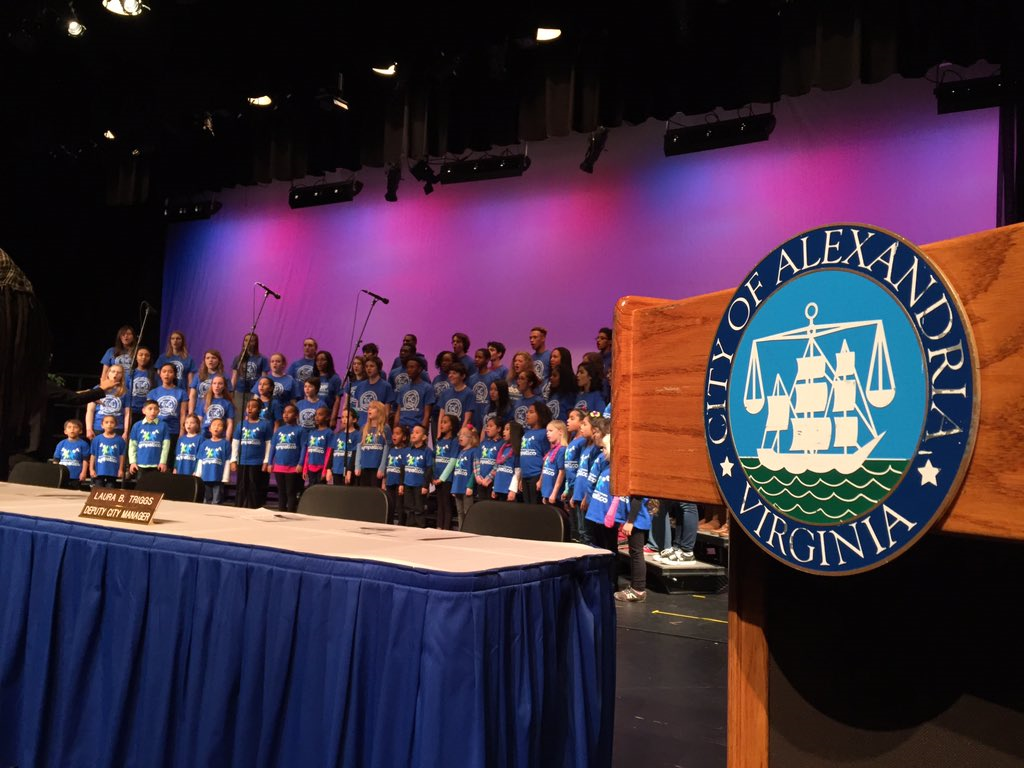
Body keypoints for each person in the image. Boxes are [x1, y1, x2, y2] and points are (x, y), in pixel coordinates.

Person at [231, 398, 273, 508]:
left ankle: (254, 507)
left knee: (254, 487)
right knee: (241, 487)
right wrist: (233, 460)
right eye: (248, 406)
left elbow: (269, 443)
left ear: (259, 410)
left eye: (253, 407)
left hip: (257, 462)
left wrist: (266, 461)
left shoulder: (265, 424)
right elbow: (235, 442)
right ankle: (239, 507)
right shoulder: (241, 424)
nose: (250, 409)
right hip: (242, 460)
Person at [267, 404, 307, 512]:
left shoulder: (300, 430)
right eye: (284, 412)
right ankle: (281, 511)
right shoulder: (279, 430)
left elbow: (304, 447)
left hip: (293, 467)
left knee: (291, 492)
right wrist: (270, 462)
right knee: (281, 492)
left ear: (296, 415)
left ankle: (290, 512)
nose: (286, 414)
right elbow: (273, 447)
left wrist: (300, 463)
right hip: (279, 467)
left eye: (289, 412)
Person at [150, 362, 188, 458]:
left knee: (170, 458)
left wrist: (182, 432)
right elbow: (149, 413)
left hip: (173, 430)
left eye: (170, 372)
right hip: (156, 430)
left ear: (175, 375)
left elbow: (183, 414)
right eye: (164, 371)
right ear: (160, 373)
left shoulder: (181, 393)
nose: (166, 374)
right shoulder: (153, 393)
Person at [517, 402, 551, 504]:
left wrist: (541, 478)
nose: (527, 414)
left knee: (536, 508)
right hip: (525, 476)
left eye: (531, 412)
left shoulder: (544, 433)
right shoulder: (526, 433)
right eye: (527, 412)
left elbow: (547, 457)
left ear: (540, 415)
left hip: (536, 475)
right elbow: (524, 457)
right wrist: (521, 477)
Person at [85, 363, 130, 442]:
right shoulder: (98, 389)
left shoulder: (125, 391)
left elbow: (127, 413)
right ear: (108, 373)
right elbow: (90, 410)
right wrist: (89, 429)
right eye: (113, 371)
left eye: (119, 372)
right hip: (99, 427)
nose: (115, 374)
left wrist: (126, 431)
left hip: (117, 427)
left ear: (122, 376)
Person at [446, 424, 478, 529]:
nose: (460, 437)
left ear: (471, 438)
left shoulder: (474, 451)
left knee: (467, 511)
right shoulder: (460, 452)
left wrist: (470, 486)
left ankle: (468, 530)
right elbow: (456, 470)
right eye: (460, 435)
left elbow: (475, 470)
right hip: (458, 486)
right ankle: (461, 530)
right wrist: (454, 488)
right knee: (460, 512)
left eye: (464, 435)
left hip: (466, 487)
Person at [128, 400, 170, 477]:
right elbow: (132, 445)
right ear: (143, 411)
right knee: (141, 487)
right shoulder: (137, 426)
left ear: (159, 411)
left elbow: (166, 446)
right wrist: (133, 462)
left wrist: (163, 462)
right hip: (141, 464)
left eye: (156, 409)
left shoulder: (163, 425)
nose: (153, 411)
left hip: (157, 465)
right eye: (150, 409)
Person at [350, 355, 395, 428]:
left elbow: (386, 412)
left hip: (375, 427)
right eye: (366, 366)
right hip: (359, 427)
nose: (368, 368)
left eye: (372, 366)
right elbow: (357, 408)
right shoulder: (360, 386)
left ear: (378, 368)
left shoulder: (386, 386)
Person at [432, 413, 459, 529]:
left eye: (445, 422)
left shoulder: (454, 441)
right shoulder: (439, 441)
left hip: (447, 478)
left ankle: (446, 528)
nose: (442, 424)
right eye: (441, 422)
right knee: (440, 504)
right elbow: (434, 459)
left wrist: (442, 478)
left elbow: (453, 460)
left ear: (452, 426)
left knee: (447, 504)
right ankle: (439, 527)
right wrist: (434, 476)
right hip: (437, 477)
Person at [231, 333, 268, 416]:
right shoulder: (238, 358)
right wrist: (231, 392)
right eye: (246, 340)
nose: (248, 343)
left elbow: (264, 378)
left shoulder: (262, 359)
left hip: (254, 392)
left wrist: (259, 393)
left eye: (251, 341)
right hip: (240, 391)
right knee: (238, 415)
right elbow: (234, 377)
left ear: (256, 343)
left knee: (252, 414)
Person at [354, 401, 389, 488]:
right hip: (364, 467)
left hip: (376, 468)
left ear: (380, 412)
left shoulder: (385, 428)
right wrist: (357, 466)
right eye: (369, 407)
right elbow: (359, 447)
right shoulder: (364, 428)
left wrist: (382, 467)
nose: (369, 409)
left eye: (373, 408)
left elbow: (386, 449)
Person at [402, 424, 432, 527]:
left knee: (419, 507)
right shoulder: (407, 450)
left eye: (417, 432)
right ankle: (410, 526)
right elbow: (403, 467)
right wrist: (401, 484)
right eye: (412, 432)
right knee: (408, 506)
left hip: (419, 484)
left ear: (424, 437)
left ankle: (420, 526)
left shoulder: (427, 451)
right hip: (407, 483)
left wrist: (425, 485)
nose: (413, 434)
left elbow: (429, 469)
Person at [196, 417, 231, 504]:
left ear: (223, 429)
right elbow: (200, 460)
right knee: (206, 499)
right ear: (210, 428)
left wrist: (225, 477)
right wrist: (198, 475)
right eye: (214, 425)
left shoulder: (225, 444)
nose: (216, 427)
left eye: (219, 425)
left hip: (218, 477)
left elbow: (227, 461)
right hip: (205, 477)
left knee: (217, 500)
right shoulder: (205, 444)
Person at [394, 356, 435, 431]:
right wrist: (395, 428)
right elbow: (398, 411)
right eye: (407, 367)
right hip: (402, 429)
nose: (409, 370)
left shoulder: (427, 388)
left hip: (416, 428)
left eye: (412, 367)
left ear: (419, 369)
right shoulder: (403, 388)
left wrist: (423, 430)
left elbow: (427, 413)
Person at [325, 407, 359, 486]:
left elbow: (355, 454)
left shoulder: (357, 435)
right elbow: (332, 452)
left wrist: (349, 470)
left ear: (354, 420)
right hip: (337, 469)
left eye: (347, 417)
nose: (344, 419)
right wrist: (329, 468)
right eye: (342, 417)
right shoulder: (338, 435)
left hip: (348, 471)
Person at [189, 350, 231, 414]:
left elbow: (228, 397)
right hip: (199, 412)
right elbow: (192, 396)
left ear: (219, 361)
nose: (210, 360)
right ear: (204, 360)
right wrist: (191, 412)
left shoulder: (224, 376)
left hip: (216, 411)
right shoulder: (198, 375)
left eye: (213, 358)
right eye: (207, 358)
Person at [89, 415, 126, 487]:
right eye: (106, 422)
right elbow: (93, 455)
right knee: (98, 491)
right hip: (99, 471)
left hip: (113, 471)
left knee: (110, 490)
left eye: (112, 422)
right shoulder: (97, 439)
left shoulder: (120, 440)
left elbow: (122, 456)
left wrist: (120, 469)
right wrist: (91, 469)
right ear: (102, 425)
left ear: (116, 425)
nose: (109, 424)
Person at [194, 375, 235, 439]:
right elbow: (199, 420)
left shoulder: (227, 403)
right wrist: (197, 437)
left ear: (224, 386)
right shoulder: (204, 401)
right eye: (214, 383)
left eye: (220, 384)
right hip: (204, 435)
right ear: (211, 385)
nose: (217, 386)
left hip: (220, 436)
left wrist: (227, 439)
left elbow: (230, 423)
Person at [53, 418, 90, 488]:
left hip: (76, 475)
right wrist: (56, 473)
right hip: (63, 475)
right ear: (65, 431)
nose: (72, 429)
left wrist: (83, 473)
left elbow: (85, 460)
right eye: (69, 427)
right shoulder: (61, 444)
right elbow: (56, 460)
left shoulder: (83, 444)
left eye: (75, 427)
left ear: (80, 431)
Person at [438, 361, 475, 432]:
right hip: (446, 434)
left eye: (454, 373)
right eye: (449, 373)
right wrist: (439, 433)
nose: (450, 376)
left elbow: (468, 419)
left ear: (463, 376)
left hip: (460, 433)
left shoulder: (469, 393)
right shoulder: (445, 392)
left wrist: (460, 435)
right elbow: (441, 416)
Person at [302, 406, 334, 487]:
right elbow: (308, 453)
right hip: (310, 467)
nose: (316, 417)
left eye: (320, 414)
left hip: (321, 467)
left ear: (327, 418)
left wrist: (325, 470)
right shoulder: (312, 433)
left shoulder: (329, 433)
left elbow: (329, 453)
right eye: (316, 414)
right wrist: (305, 469)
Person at [383, 425, 409, 524]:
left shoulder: (406, 451)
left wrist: (402, 484)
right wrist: (384, 481)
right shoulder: (391, 450)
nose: (394, 436)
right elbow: (387, 465)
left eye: (398, 434)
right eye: (393, 433)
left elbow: (405, 468)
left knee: (399, 506)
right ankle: (388, 523)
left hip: (399, 482)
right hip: (390, 482)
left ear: (404, 437)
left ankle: (402, 524)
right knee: (390, 505)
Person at [541, 419, 568, 509]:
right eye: (547, 431)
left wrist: (554, 493)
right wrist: (545, 494)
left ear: (560, 432)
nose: (547, 433)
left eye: (551, 431)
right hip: (548, 493)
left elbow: (561, 473)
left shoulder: (562, 450)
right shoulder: (551, 450)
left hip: (555, 495)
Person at [491, 420, 521, 501]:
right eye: (504, 429)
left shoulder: (516, 450)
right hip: (499, 488)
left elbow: (517, 471)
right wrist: (495, 487)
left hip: (508, 490)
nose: (504, 431)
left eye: (507, 429)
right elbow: (498, 468)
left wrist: (513, 490)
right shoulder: (503, 448)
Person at [474, 417, 502, 501]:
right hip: (481, 481)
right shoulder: (483, 443)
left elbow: (499, 463)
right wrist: (477, 476)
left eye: (491, 426)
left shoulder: (501, 444)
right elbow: (476, 460)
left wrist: (489, 478)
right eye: (487, 426)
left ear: (499, 429)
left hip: (492, 482)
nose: (488, 428)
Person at [545, 347, 577, 420]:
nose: (551, 360)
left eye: (555, 357)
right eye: (551, 357)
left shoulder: (570, 393)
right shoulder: (552, 391)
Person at [127, 346, 157, 423]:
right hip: (131, 411)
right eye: (140, 355)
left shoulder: (154, 375)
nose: (143, 357)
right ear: (135, 357)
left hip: (147, 412)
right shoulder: (130, 373)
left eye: (147, 355)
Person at [313, 351, 344, 425]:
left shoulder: (335, 379)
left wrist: (333, 418)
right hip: (312, 415)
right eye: (317, 360)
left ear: (328, 362)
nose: (319, 362)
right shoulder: (313, 378)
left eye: (323, 360)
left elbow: (337, 400)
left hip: (326, 417)